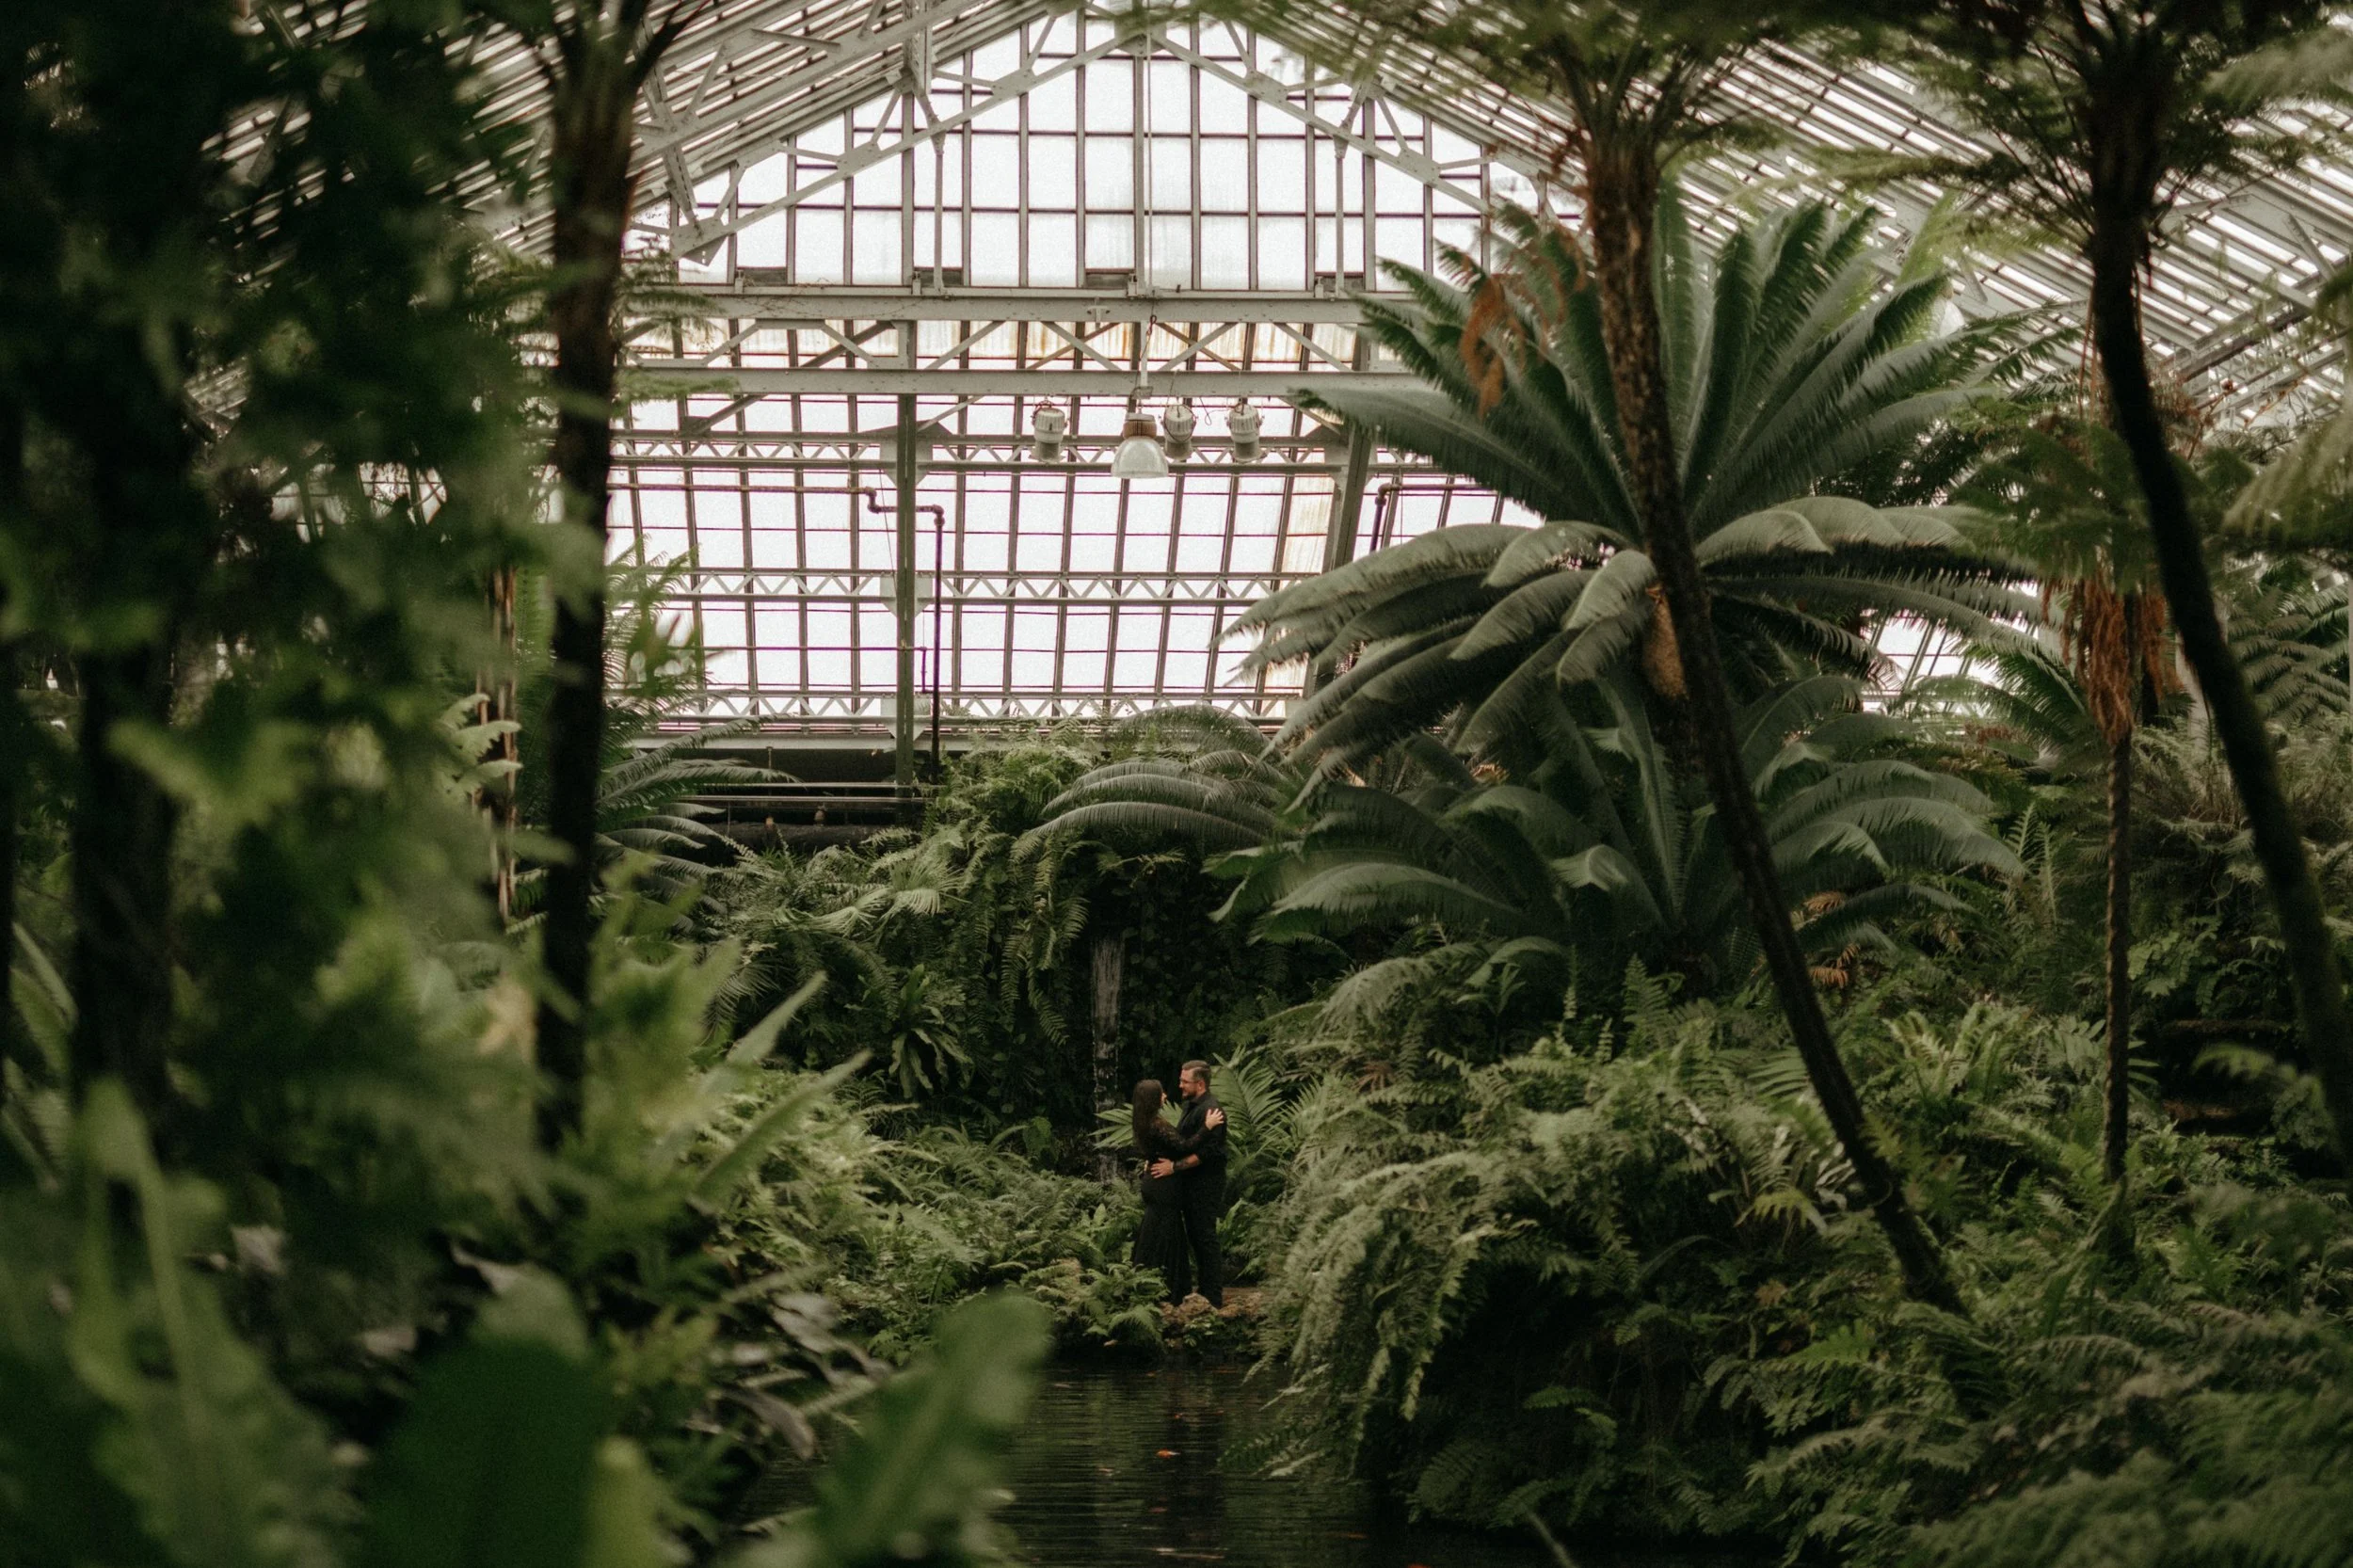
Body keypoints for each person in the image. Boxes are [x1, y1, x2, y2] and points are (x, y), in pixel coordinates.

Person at [1130, 1079, 1221, 1302]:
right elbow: (1183, 1147)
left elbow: (1160, 1148)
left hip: (1154, 1180)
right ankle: (1170, 1288)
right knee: (1167, 1233)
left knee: (1156, 1230)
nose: (1165, 1096)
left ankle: (1148, 1282)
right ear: (1153, 1098)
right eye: (1161, 1094)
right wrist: (1206, 1128)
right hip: (1163, 1184)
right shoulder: (1156, 1124)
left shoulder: (1143, 1121)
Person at [1151, 1060, 1228, 1308]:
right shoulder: (1191, 1105)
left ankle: (1213, 1297)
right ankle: (1204, 1291)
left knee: (1205, 1237)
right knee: (1196, 1236)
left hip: (1207, 1184)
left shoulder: (1212, 1112)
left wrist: (1174, 1167)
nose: (1180, 1085)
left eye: (1185, 1081)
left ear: (1200, 1083)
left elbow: (1208, 1153)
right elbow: (1183, 1141)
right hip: (1192, 1184)